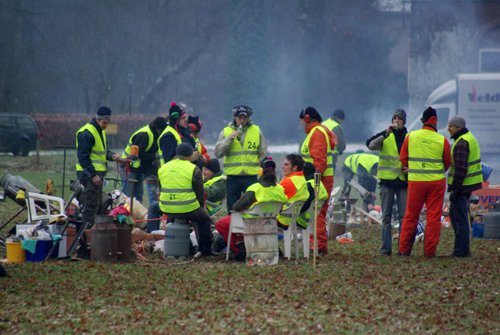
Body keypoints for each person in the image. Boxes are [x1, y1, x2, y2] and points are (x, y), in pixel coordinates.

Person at [399, 107, 451, 257]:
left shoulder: (411, 136)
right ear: (435, 122)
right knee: (433, 217)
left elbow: (403, 159)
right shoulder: (442, 140)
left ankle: (404, 250)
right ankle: (429, 252)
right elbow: (447, 163)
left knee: (411, 215)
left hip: (416, 182)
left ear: (422, 121)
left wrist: (412, 168)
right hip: (436, 183)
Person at [214, 157, 286, 260]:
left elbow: (237, 207)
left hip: (250, 222)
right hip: (270, 222)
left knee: (220, 224)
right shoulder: (280, 189)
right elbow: (281, 207)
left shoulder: (255, 188)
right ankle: (248, 244)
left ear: (260, 172)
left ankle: (238, 250)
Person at [147, 143, 213, 256]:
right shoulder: (193, 169)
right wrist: (199, 207)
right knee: (205, 220)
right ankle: (205, 250)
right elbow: (199, 194)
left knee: (153, 207)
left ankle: (151, 240)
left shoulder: (163, 168)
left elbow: (162, 189)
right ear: (190, 155)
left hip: (166, 208)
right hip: (188, 208)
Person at [75, 106, 122, 253]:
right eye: (104, 122)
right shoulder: (87, 133)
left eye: (108, 122)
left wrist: (113, 156)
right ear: (98, 118)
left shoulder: (99, 131)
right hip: (89, 176)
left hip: (97, 175)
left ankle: (92, 239)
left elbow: (101, 152)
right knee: (90, 207)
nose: (106, 125)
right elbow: (83, 157)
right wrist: (93, 175)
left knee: (96, 205)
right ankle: (85, 242)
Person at [366, 108, 408, 256]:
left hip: (403, 182)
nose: (396, 121)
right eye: (394, 119)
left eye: (399, 119)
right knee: (386, 217)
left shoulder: (409, 137)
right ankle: (386, 248)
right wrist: (385, 133)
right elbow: (370, 145)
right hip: (386, 182)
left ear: (404, 121)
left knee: (404, 216)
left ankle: (403, 248)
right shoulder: (385, 135)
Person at [214, 105, 267, 212]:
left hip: (250, 177)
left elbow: (262, 153)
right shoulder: (226, 131)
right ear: (234, 118)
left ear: (248, 118)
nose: (242, 120)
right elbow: (218, 153)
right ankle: (233, 228)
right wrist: (229, 139)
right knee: (232, 209)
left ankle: (250, 228)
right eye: (239, 118)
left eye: (244, 117)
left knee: (252, 208)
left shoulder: (256, 130)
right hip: (233, 178)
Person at [299, 106, 336, 255]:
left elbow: (320, 159)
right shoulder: (317, 131)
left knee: (317, 211)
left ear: (307, 119)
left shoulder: (317, 133)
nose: (301, 123)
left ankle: (319, 246)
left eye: (302, 120)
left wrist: (315, 179)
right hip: (319, 178)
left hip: (319, 178)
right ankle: (318, 244)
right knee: (316, 211)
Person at [447, 116, 482, 257]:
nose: (448, 129)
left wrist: (455, 189)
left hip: (461, 187)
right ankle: (461, 249)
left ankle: (461, 251)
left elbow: (461, 169)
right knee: (455, 216)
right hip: (465, 186)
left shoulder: (461, 143)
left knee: (460, 219)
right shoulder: (468, 138)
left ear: (458, 128)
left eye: (451, 126)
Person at [121, 116, 167, 204]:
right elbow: (136, 155)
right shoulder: (144, 135)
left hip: (138, 168)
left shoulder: (154, 135)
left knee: (138, 196)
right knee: (126, 196)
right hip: (129, 167)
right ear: (159, 129)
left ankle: (137, 216)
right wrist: (153, 157)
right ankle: (122, 214)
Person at [276, 153, 309, 230]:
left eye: (286, 165)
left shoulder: (288, 182)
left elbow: (273, 198)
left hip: (281, 219)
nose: (283, 167)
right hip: (293, 219)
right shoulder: (302, 179)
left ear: (294, 167)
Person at [158, 102, 197, 166]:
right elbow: (169, 160)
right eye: (183, 118)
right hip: (174, 173)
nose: (186, 120)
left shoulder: (184, 132)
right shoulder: (169, 136)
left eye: (186, 117)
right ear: (176, 120)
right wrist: (190, 157)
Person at [296, 162, 329, 229]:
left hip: (301, 220)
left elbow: (304, 205)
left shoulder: (309, 185)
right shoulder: (320, 184)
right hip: (312, 218)